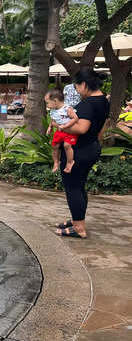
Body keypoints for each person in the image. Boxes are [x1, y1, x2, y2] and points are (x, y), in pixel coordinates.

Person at [54, 68, 110, 239]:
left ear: (84, 85)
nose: (77, 91)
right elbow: (102, 126)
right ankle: (77, 220)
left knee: (73, 188)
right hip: (91, 147)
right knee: (79, 186)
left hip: (78, 150)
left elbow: (82, 128)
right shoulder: (103, 100)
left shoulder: (88, 103)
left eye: (77, 87)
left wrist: (59, 125)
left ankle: (79, 229)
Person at [46, 89, 79, 174]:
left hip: (69, 132)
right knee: (54, 146)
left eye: (47, 102)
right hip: (60, 131)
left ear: (55, 101)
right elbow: (53, 119)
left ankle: (70, 162)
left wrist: (65, 126)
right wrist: (49, 127)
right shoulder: (53, 110)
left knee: (67, 145)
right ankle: (56, 162)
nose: (47, 105)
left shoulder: (67, 109)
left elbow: (75, 118)